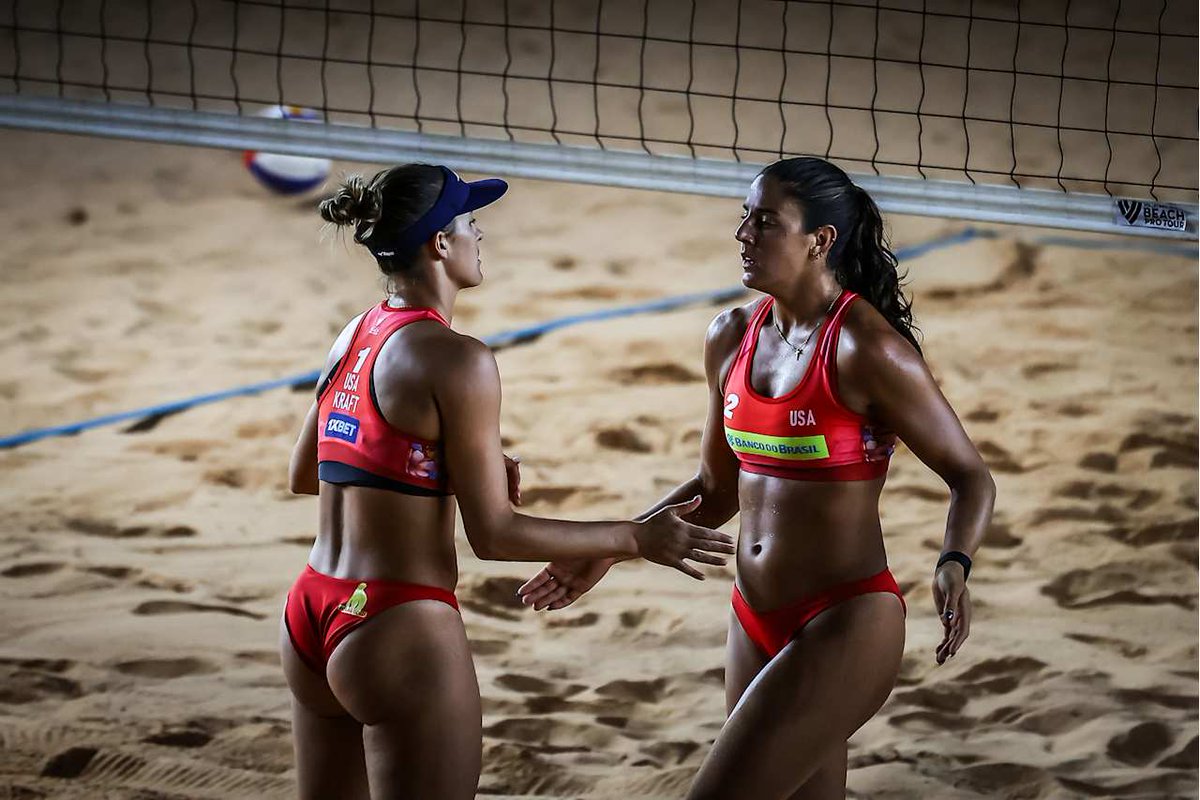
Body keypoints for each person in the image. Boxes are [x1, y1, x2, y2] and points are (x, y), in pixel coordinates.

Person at [519, 157, 995, 799]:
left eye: (765, 222)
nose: (743, 234)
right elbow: (715, 493)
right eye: (745, 218)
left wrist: (954, 561)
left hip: (846, 618)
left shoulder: (866, 349)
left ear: (819, 241)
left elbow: (970, 476)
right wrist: (613, 548)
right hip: (753, 615)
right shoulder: (731, 335)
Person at [281, 163, 735, 800]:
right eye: (471, 223)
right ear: (441, 243)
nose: (480, 237)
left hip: (312, 608)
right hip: (394, 623)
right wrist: (632, 538)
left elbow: (309, 472)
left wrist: (442, 464)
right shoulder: (458, 357)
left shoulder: (354, 335)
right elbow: (493, 534)